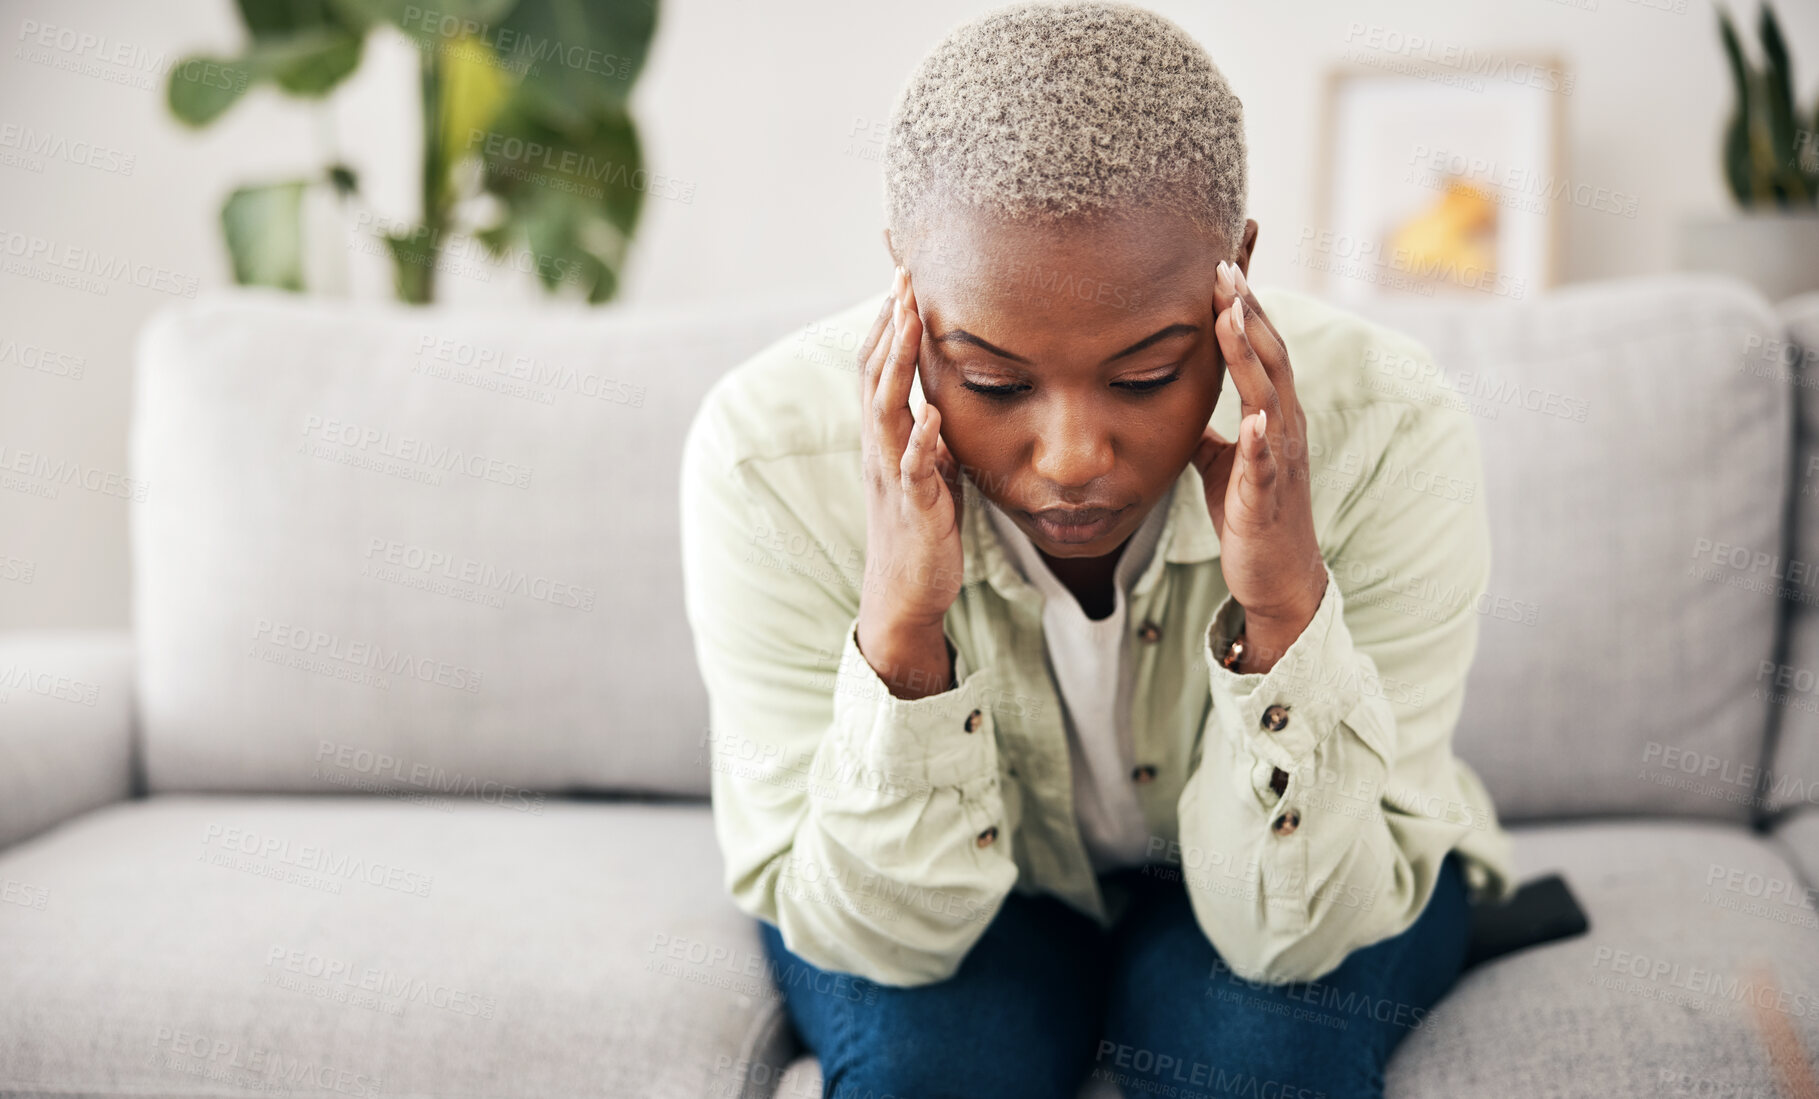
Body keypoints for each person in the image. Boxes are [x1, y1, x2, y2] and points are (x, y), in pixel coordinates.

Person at [678, 3, 1516, 1096]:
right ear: (905, 288)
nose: (1072, 456)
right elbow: (876, 940)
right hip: (978, 901)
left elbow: (1295, 941)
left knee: (1257, 1061)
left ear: (1237, 273)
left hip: (1297, 879)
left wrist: (1284, 617)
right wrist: (898, 636)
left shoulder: (1389, 429)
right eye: (992, 380)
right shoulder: (767, 462)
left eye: (1143, 375)